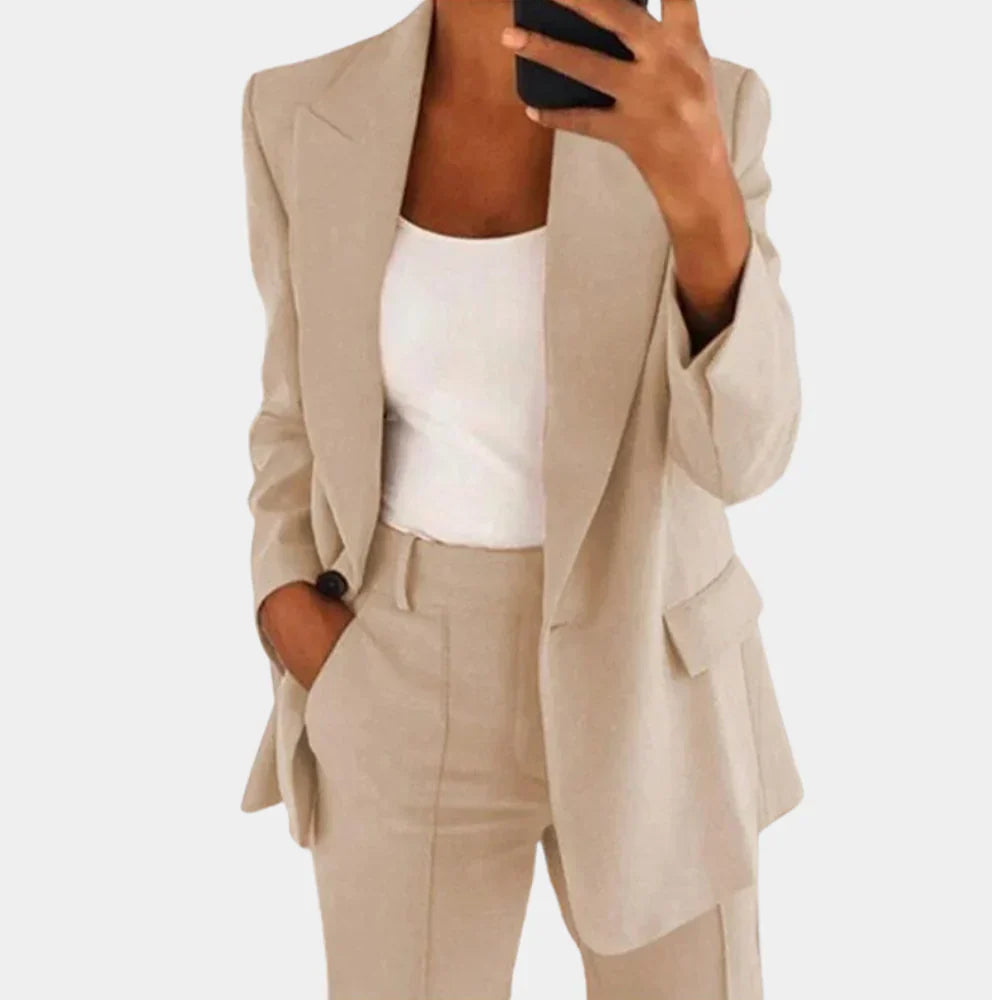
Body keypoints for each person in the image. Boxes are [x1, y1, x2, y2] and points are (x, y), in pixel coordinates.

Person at [238, 1, 803, 996]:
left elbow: (742, 458)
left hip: (653, 673)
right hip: (398, 671)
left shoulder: (706, 107)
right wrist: (290, 605)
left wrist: (700, 201)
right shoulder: (299, 111)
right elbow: (293, 410)